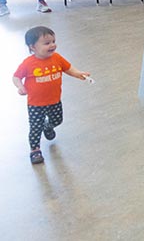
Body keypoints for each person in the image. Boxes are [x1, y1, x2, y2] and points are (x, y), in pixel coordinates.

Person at [13, 26, 90, 164]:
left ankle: (48, 127)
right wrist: (21, 87)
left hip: (54, 100)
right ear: (32, 47)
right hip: (36, 104)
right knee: (35, 128)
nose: (52, 45)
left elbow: (68, 68)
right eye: (47, 43)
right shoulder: (28, 63)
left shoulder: (57, 58)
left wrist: (78, 73)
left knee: (57, 120)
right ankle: (35, 150)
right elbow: (16, 77)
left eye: (53, 41)